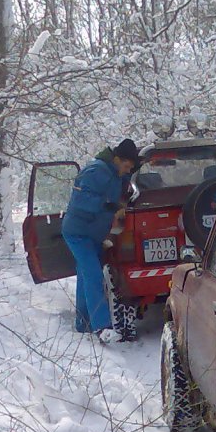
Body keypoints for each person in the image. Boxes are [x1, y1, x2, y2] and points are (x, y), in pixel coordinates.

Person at [61, 138, 140, 342]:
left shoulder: (115, 172)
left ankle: (83, 323)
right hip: (78, 233)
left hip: (93, 234)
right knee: (94, 275)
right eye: (126, 166)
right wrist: (107, 204)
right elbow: (79, 199)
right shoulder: (96, 170)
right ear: (116, 159)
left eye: (130, 168)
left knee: (85, 275)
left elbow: (123, 179)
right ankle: (101, 326)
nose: (126, 171)